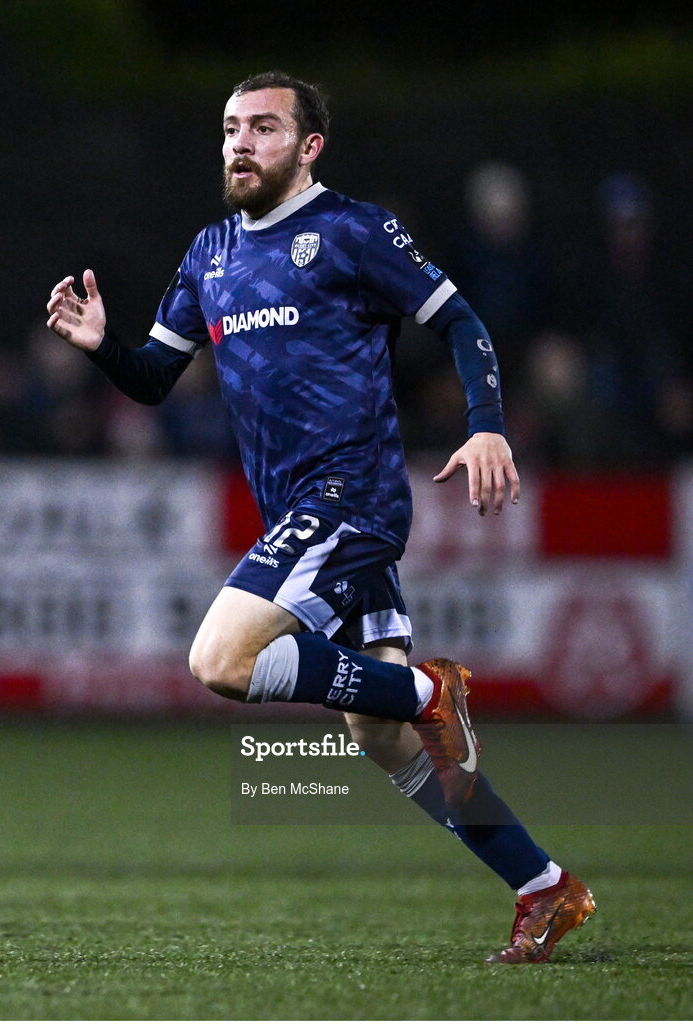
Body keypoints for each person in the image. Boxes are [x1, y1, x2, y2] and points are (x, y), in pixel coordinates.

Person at [47, 71, 595, 964]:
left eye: (263, 128)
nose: (239, 143)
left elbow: (461, 323)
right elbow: (153, 378)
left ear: (308, 148)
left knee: (220, 660)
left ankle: (428, 689)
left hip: (350, 497)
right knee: (386, 743)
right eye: (230, 127)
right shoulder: (210, 254)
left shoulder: (350, 230)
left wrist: (487, 426)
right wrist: (101, 346)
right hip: (302, 511)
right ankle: (543, 886)